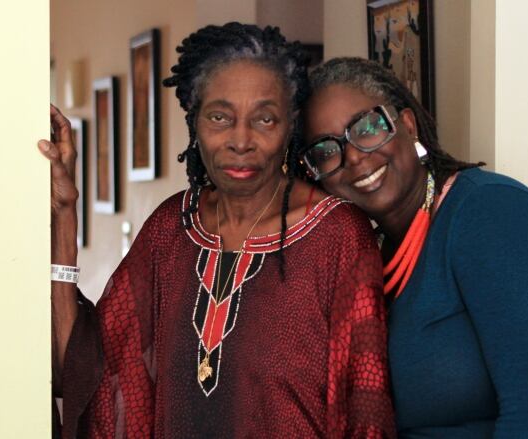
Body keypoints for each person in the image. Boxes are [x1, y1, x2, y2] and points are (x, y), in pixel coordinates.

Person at [40, 26, 394, 438]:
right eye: (220, 117)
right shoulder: (171, 230)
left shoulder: (337, 236)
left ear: (290, 125)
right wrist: (65, 214)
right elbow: (86, 373)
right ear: (194, 118)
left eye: (264, 118)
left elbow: (365, 406)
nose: (240, 140)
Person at [300, 57, 528, 438]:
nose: (353, 157)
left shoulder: (492, 215)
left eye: (367, 128)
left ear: (408, 126)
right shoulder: (371, 254)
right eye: (327, 150)